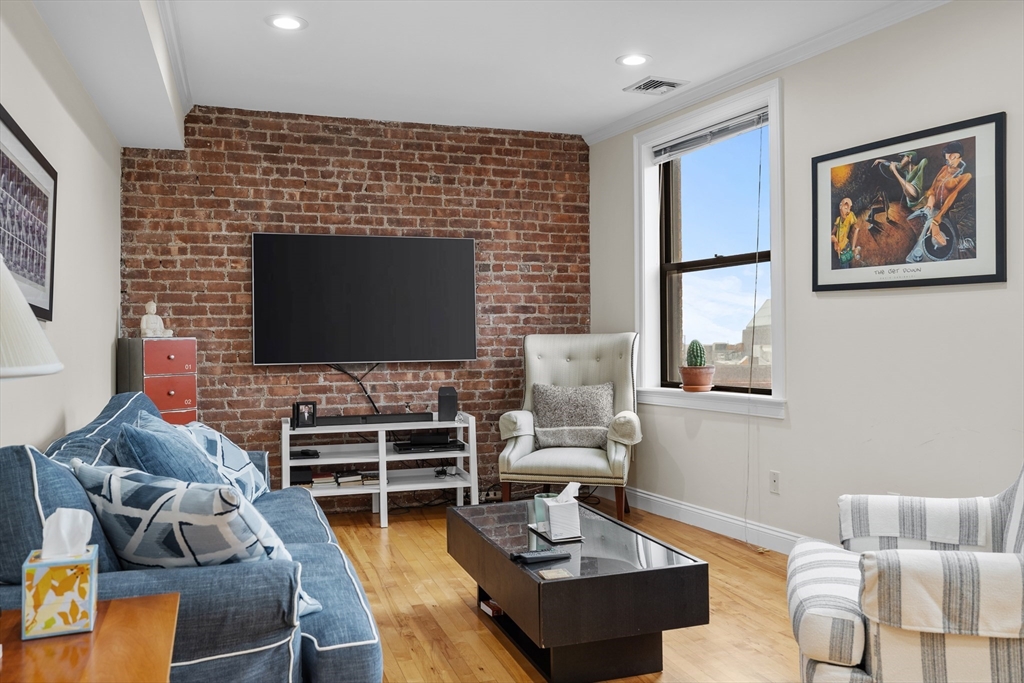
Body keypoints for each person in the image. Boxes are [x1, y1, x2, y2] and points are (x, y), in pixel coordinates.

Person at [911, 140, 972, 248]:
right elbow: (933, 188)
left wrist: (939, 216)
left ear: (960, 158)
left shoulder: (965, 176)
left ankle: (960, 242)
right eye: (947, 159)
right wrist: (930, 202)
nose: (950, 162)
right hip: (933, 206)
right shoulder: (943, 169)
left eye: (953, 157)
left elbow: (953, 194)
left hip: (946, 210)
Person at [831, 197, 860, 268]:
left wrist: (853, 247)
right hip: (838, 250)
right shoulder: (838, 220)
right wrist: (835, 241)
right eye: (846, 208)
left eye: (850, 208)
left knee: (845, 268)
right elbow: (832, 234)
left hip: (845, 249)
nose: (848, 211)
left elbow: (857, 228)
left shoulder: (850, 216)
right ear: (840, 207)